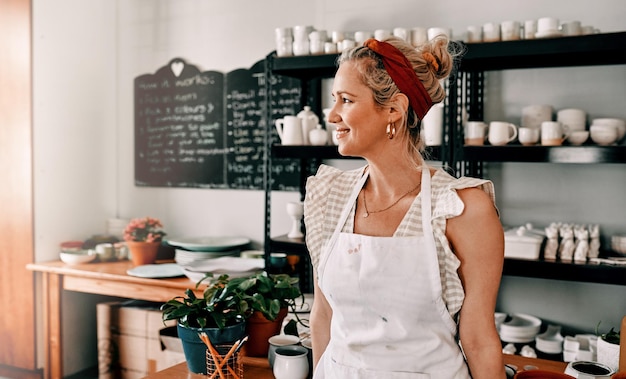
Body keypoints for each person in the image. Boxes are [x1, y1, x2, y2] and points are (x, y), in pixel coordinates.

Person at [303, 35, 505, 379]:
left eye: (346, 100)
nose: (333, 115)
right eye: (333, 100)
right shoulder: (328, 195)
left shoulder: (461, 208)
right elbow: (323, 315)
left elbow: (479, 340)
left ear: (394, 109)